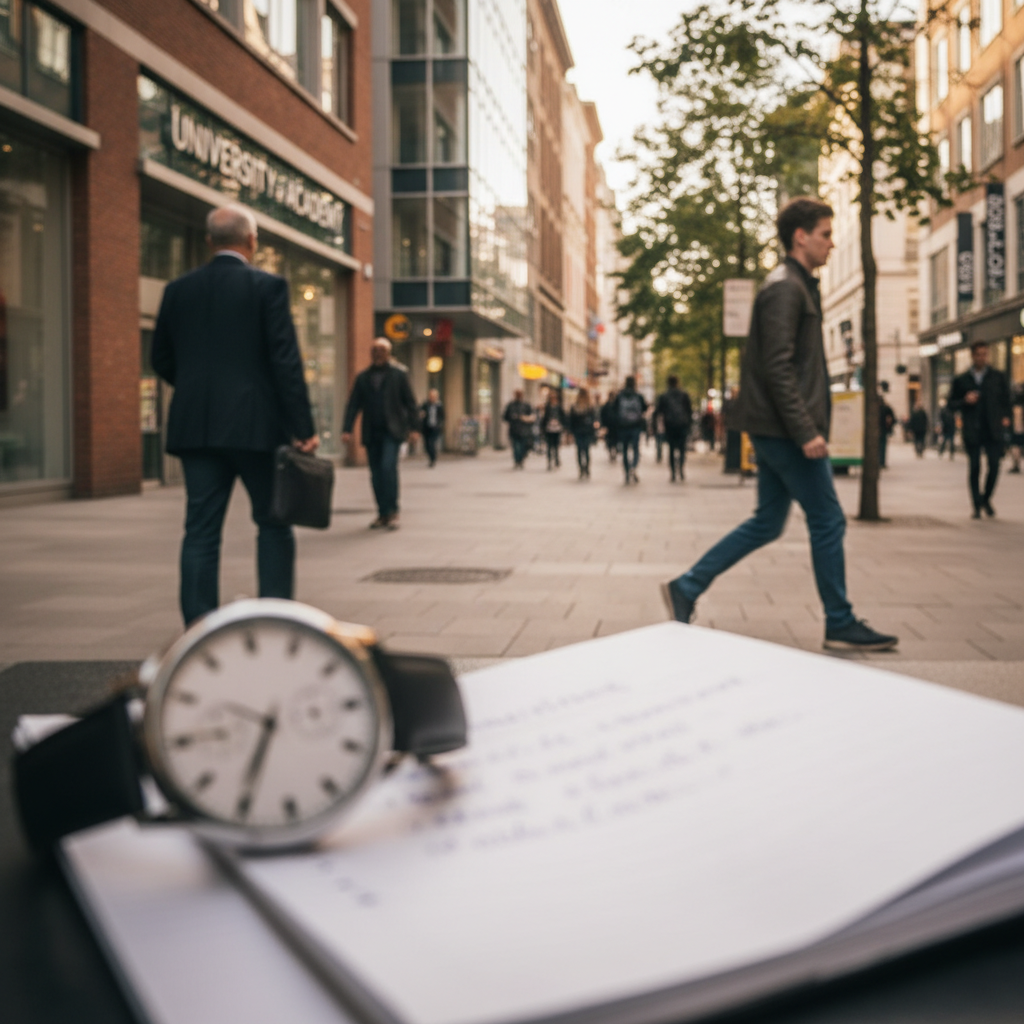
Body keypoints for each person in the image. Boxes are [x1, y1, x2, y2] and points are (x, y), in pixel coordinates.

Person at [661, 197, 897, 651]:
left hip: (775, 428)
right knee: (827, 520)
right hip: (786, 431)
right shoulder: (786, 288)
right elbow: (778, 368)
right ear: (800, 237)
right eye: (825, 234)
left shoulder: (795, 285)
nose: (831, 243)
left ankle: (687, 586)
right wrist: (806, 430)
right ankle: (839, 621)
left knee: (768, 522)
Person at [151, 205, 318, 627]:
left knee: (201, 530)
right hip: (256, 427)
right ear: (251, 241)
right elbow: (285, 361)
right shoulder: (268, 287)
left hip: (196, 428)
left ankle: (198, 625)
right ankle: (275, 617)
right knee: (273, 524)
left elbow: (161, 358)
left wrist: (196, 389)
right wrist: (303, 427)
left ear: (210, 241)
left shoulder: (177, 290)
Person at [341, 338, 419, 530]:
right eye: (375, 350)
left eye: (382, 350)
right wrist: (347, 429)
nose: (378, 353)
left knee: (387, 468)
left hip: (392, 431)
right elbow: (353, 404)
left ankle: (393, 511)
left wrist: (414, 428)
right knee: (376, 474)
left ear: (389, 353)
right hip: (372, 432)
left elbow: (410, 403)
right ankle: (382, 512)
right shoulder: (363, 377)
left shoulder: (399, 375)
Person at [948, 341, 1012, 518]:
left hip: (993, 429)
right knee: (975, 467)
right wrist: (964, 401)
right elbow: (951, 404)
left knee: (994, 466)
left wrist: (1006, 419)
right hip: (973, 430)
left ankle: (985, 498)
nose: (982, 358)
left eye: (984, 354)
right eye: (978, 354)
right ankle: (976, 505)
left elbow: (1007, 401)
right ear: (972, 356)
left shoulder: (997, 377)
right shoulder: (962, 379)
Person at [656, 375, 693, 482]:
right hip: (682, 425)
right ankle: (681, 468)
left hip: (670, 425)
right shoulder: (684, 395)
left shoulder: (664, 396)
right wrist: (689, 425)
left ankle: (673, 473)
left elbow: (659, 411)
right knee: (682, 449)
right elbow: (689, 411)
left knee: (671, 449)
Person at [614, 376, 648, 484]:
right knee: (636, 449)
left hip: (623, 427)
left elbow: (615, 410)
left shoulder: (620, 396)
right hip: (635, 426)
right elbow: (644, 408)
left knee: (624, 450)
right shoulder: (638, 396)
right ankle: (633, 466)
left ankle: (627, 471)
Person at [568, 387, 600, 479]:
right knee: (586, 450)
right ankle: (586, 468)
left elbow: (571, 421)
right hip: (586, 431)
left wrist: (570, 432)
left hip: (579, 431)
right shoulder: (590, 406)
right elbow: (595, 419)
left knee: (580, 451)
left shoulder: (576, 406)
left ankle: (582, 468)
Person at [503, 389, 535, 469]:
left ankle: (521, 459)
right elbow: (505, 417)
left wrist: (525, 418)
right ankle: (517, 461)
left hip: (524, 430)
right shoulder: (511, 405)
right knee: (516, 447)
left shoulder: (526, 405)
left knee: (523, 446)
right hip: (514, 430)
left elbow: (532, 416)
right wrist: (512, 418)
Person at [419, 388, 445, 467]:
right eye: (430, 396)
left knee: (432, 444)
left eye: (433, 396)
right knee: (427, 445)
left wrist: (440, 424)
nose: (432, 398)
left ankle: (433, 459)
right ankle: (431, 457)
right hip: (426, 427)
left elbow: (442, 416)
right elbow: (420, 412)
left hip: (435, 428)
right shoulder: (425, 405)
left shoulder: (439, 405)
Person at [542, 389, 566, 469]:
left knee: (556, 446)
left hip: (557, 429)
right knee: (549, 446)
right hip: (549, 429)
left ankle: (556, 459)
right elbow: (544, 418)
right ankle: (549, 461)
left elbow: (563, 417)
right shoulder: (547, 407)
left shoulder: (559, 407)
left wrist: (561, 424)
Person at [878, 389, 896, 468]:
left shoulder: (881, 408)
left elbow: (892, 419)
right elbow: (893, 419)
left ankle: (880, 462)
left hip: (881, 429)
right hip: (883, 429)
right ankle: (881, 462)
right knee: (882, 446)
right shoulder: (886, 408)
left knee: (880, 446)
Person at [1008, 383, 1024, 473]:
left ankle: (1016, 464)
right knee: (1015, 444)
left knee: (1015, 444)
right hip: (1017, 426)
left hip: (1017, 426)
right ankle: (1016, 464)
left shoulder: (1015, 406)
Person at [601, 390, 620, 461]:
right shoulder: (616, 405)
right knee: (614, 439)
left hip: (609, 425)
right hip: (615, 425)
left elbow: (602, 416)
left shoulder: (606, 405)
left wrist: (603, 424)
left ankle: (612, 451)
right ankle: (613, 451)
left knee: (610, 440)